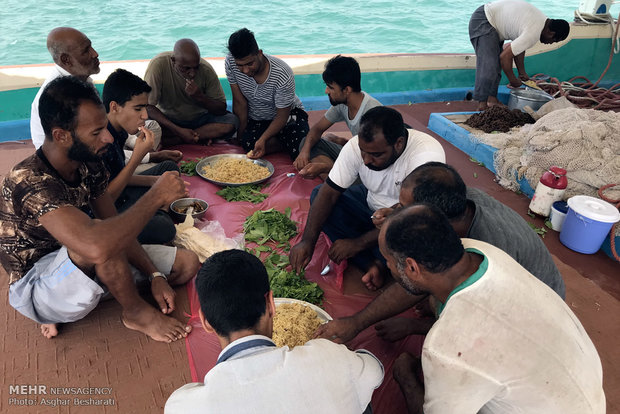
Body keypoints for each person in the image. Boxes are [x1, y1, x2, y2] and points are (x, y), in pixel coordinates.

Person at [0, 76, 200, 342]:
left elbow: (112, 218)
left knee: (187, 265)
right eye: (96, 132)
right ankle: (135, 312)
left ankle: (97, 293)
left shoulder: (88, 161)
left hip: (84, 255)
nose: (107, 138)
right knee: (100, 243)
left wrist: (153, 274)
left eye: (104, 127)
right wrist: (154, 197)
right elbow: (98, 244)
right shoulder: (28, 180)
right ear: (60, 135)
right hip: (37, 284)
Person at [379, 204, 605, 414]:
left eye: (387, 260)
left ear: (411, 267)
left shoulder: (444, 348)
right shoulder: (481, 251)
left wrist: (406, 377)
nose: (387, 266)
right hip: (586, 392)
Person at [317, 162, 566, 345]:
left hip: (530, 320)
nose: (395, 210)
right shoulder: (459, 202)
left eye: (402, 207)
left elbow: (483, 321)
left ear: (431, 215)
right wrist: (396, 215)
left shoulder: (487, 258)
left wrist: (412, 326)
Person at [165, 249, 383, 414]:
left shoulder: (184, 405)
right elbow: (375, 371)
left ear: (205, 321)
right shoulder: (331, 357)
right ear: (271, 304)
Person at [290, 106, 445, 290]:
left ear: (398, 143)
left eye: (376, 155)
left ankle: (376, 260)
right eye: (363, 151)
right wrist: (307, 241)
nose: (366, 160)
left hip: (406, 218)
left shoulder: (426, 156)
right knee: (318, 195)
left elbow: (416, 216)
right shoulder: (356, 146)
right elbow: (329, 193)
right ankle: (373, 263)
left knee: (417, 237)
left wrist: (358, 243)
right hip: (369, 203)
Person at [102, 68, 184, 244]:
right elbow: (105, 199)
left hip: (120, 190)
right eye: (138, 108)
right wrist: (137, 157)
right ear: (114, 107)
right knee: (164, 228)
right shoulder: (101, 140)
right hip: (108, 212)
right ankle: (160, 209)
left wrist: (155, 181)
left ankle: (160, 206)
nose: (145, 116)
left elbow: (116, 177)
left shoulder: (120, 130)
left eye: (145, 108)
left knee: (169, 169)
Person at [225, 28, 309, 159]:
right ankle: (286, 140)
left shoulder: (282, 74)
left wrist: (263, 139)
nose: (245, 70)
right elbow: (240, 102)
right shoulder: (230, 62)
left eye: (249, 64)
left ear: (259, 53)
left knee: (300, 148)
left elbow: (282, 116)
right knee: (247, 144)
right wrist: (240, 135)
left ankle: (296, 140)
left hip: (288, 116)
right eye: (240, 65)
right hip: (258, 118)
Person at [469, 0, 570, 110]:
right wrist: (513, 80)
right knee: (489, 65)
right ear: (551, 33)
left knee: (495, 65)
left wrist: (522, 72)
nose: (549, 43)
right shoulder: (534, 32)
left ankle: (492, 100)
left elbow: (519, 48)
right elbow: (505, 57)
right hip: (484, 20)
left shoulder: (542, 21)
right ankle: (481, 105)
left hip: (492, 22)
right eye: (553, 41)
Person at [293, 55, 382, 180]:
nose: (326, 91)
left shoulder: (372, 115)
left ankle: (333, 181)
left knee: (351, 180)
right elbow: (317, 129)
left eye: (330, 87)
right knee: (306, 142)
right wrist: (304, 152)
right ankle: (333, 178)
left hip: (370, 169)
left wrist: (325, 167)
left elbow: (370, 164)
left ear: (346, 90)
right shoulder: (342, 103)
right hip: (355, 155)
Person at [144, 39, 239, 146]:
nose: (192, 73)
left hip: (199, 119)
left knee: (232, 121)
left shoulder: (206, 69)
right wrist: (178, 130)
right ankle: (196, 136)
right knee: (144, 121)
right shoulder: (158, 65)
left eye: (196, 67)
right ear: (173, 60)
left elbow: (221, 108)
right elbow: (148, 106)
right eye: (186, 68)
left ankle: (179, 139)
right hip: (169, 119)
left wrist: (200, 97)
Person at [30, 27, 101, 150]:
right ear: (66, 60)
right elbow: (83, 149)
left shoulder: (81, 79)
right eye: (86, 51)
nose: (95, 53)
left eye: (91, 46)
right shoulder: (58, 95)